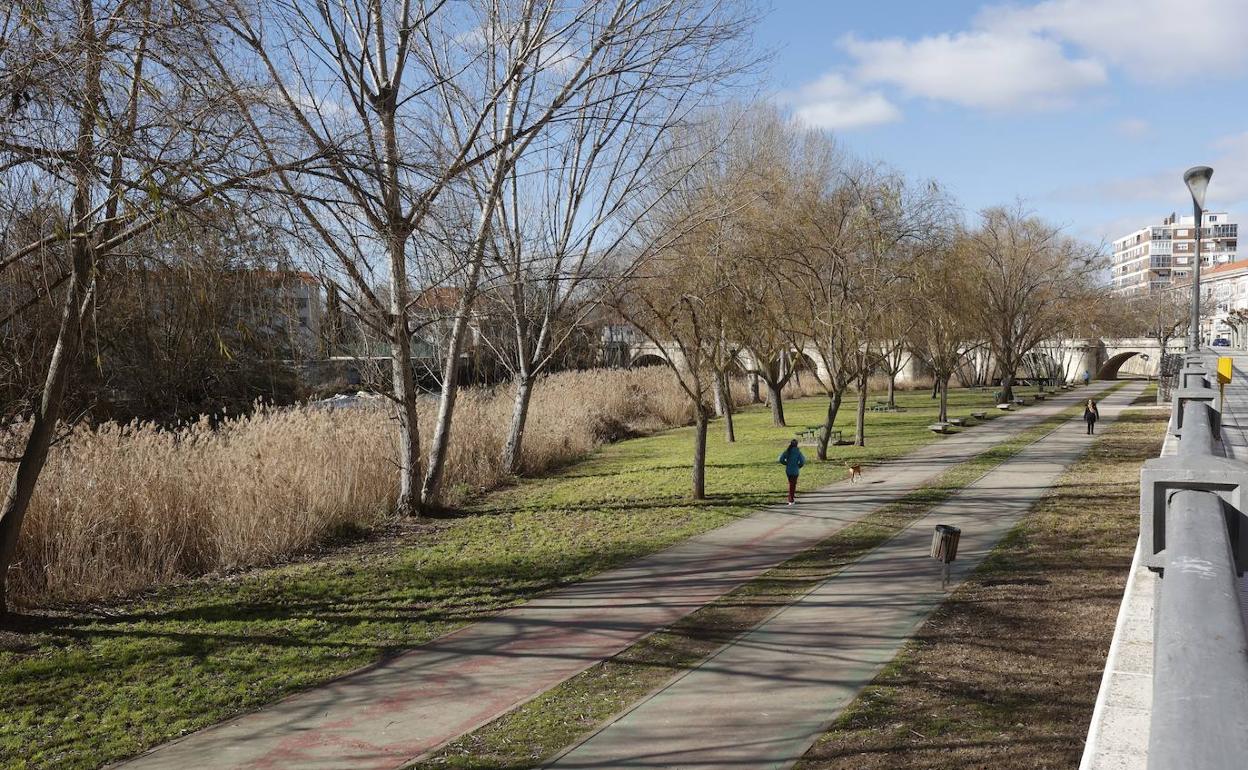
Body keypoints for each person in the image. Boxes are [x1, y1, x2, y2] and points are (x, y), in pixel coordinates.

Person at [778, 438, 806, 505]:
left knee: (791, 484)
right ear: (797, 445)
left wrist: (786, 463)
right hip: (795, 470)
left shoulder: (787, 451)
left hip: (788, 470)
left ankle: (791, 498)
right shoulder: (798, 452)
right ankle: (791, 499)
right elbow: (802, 461)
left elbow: (780, 459)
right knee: (792, 485)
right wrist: (799, 466)